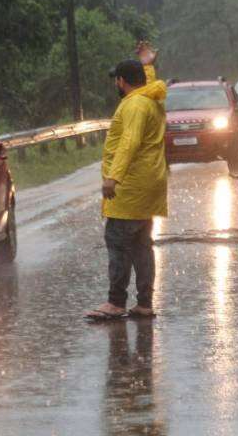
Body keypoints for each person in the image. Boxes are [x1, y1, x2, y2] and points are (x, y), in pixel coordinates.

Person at [85, 41, 168, 321]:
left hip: (130, 188)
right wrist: (148, 64)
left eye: (116, 80)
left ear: (121, 81)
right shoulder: (151, 98)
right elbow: (150, 83)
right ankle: (144, 303)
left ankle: (116, 302)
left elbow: (129, 143)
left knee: (118, 242)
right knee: (142, 245)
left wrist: (113, 177)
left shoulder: (133, 106)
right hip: (148, 186)